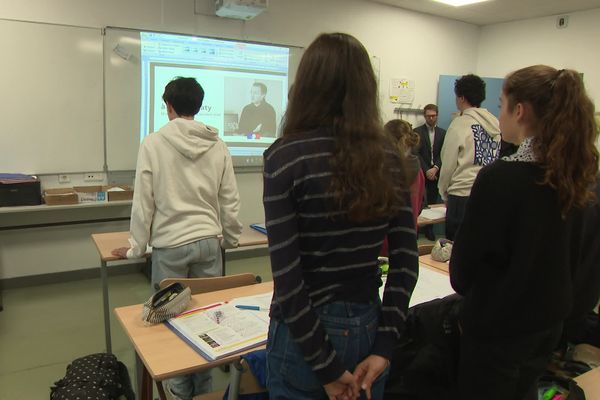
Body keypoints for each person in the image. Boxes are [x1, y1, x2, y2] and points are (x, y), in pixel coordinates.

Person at [263, 33, 418, 400]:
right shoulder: (388, 157)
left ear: (306, 86)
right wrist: (384, 346)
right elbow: (406, 263)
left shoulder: (285, 157)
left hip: (303, 338)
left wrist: (326, 368)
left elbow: (289, 282)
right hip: (367, 324)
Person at [449, 65, 599, 400]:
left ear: (520, 110)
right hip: (548, 327)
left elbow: (461, 273)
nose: (498, 116)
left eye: (501, 105)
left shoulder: (500, 179)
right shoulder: (582, 178)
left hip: (497, 331)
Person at [112, 77, 243, 400]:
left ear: (168, 106)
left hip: (170, 245)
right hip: (209, 243)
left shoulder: (154, 143)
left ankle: (179, 391)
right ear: (198, 107)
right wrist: (232, 237)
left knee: (169, 322)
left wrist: (135, 248)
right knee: (206, 320)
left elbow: (144, 201)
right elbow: (230, 198)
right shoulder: (218, 144)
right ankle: (203, 390)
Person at [438, 74, 501, 240]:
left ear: (461, 97)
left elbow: (448, 163)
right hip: (488, 194)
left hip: (461, 195)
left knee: (454, 246)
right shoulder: (495, 124)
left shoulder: (459, 124)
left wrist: (444, 192)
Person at [413, 104, 446, 241]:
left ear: (437, 115)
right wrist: (426, 169)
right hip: (421, 171)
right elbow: (416, 153)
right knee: (419, 201)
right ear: (424, 116)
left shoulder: (443, 133)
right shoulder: (417, 132)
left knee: (432, 202)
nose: (431, 118)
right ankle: (416, 229)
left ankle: (429, 230)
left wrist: (436, 168)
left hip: (436, 173)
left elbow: (444, 153)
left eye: (433, 115)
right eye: (428, 116)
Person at [384, 119, 425, 227]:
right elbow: (422, 203)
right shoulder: (418, 170)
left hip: (387, 234)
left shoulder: (384, 172)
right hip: (410, 229)